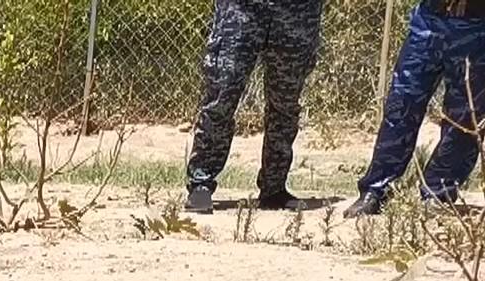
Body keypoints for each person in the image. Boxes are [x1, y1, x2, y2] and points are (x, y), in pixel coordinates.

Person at [184, 0, 327, 214]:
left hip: (297, 10)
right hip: (242, 8)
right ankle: (201, 183)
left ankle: (274, 187)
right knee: (223, 95)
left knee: (285, 102)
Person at [345, 0, 485, 217]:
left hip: (476, 25)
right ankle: (375, 190)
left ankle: (438, 193)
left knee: (466, 117)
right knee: (401, 105)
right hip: (430, 19)